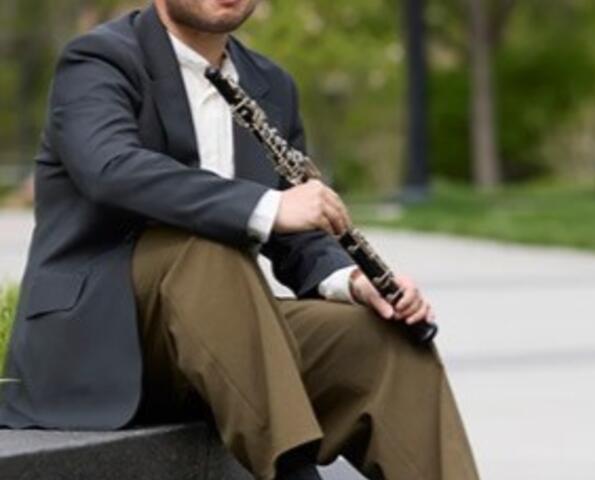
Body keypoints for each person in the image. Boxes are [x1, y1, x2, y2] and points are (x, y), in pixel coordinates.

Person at [0, 1, 480, 479]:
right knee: (205, 248)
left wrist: (352, 280)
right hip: (100, 338)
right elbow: (110, 168)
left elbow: (299, 240)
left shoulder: (270, 84)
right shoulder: (99, 60)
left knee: (381, 339)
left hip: (228, 339)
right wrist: (266, 206)